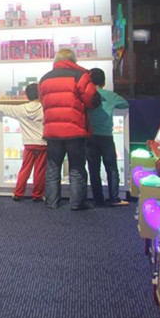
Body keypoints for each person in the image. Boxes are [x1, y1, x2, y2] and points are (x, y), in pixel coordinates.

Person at [39, 49, 100, 211]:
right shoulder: (80, 75)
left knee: (53, 168)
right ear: (73, 59)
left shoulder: (45, 78)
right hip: (75, 130)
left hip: (52, 131)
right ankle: (77, 203)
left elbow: (43, 101)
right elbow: (92, 99)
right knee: (77, 167)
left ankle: (52, 202)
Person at [0, 84, 46, 202]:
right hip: (43, 144)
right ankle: (37, 195)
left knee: (25, 169)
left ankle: (18, 193)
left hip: (29, 144)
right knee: (40, 171)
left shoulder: (21, 109)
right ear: (40, 94)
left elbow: (5, 108)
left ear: (27, 95)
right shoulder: (44, 108)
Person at [87, 68, 129, 207]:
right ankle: (114, 198)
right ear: (104, 82)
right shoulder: (111, 96)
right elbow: (125, 103)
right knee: (111, 168)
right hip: (106, 137)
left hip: (90, 136)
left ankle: (98, 199)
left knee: (94, 169)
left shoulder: (87, 95)